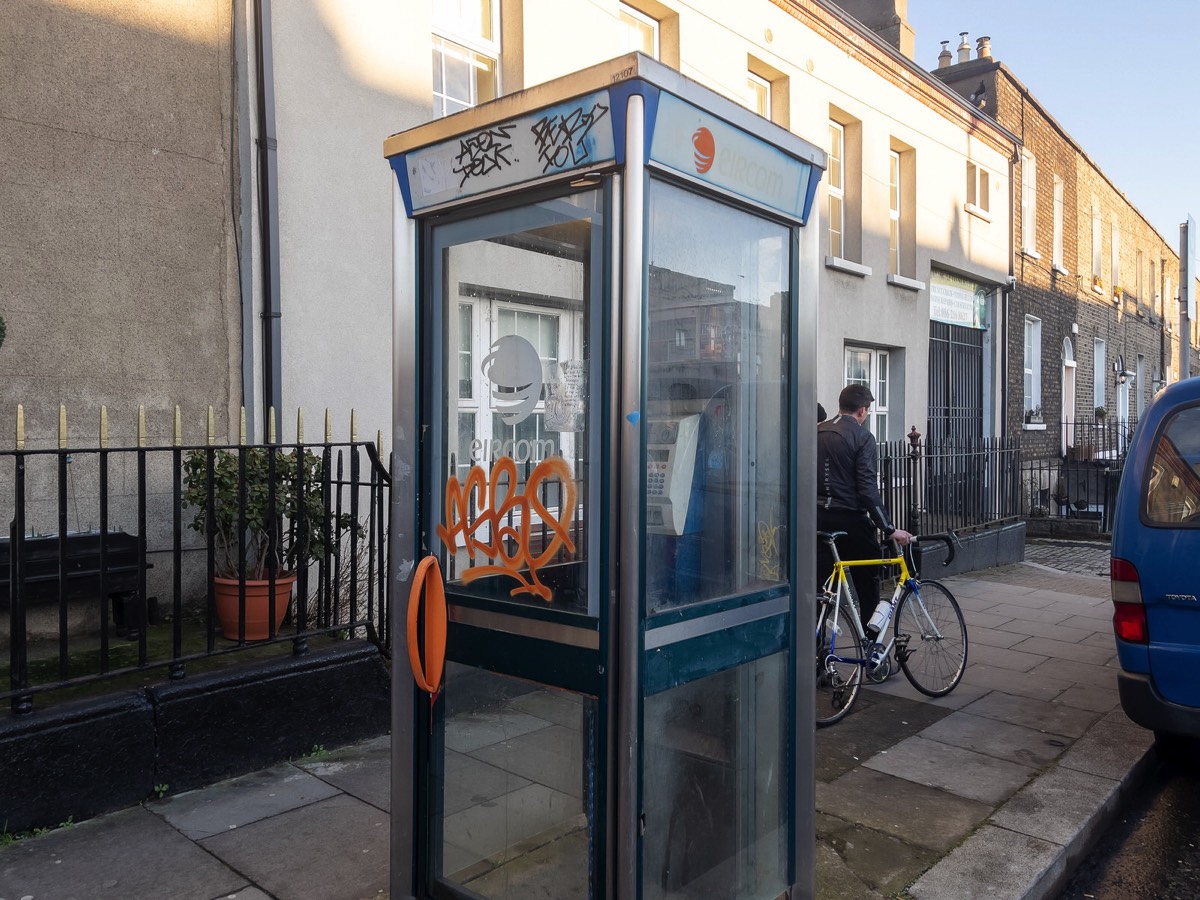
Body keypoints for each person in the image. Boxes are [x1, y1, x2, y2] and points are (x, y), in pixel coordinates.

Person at [817, 384, 912, 630]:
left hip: (817, 520)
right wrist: (889, 528)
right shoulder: (863, 438)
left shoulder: (817, 431)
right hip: (851, 521)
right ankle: (870, 647)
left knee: (822, 588)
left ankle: (815, 649)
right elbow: (867, 490)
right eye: (867, 411)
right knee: (868, 582)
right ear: (862, 411)